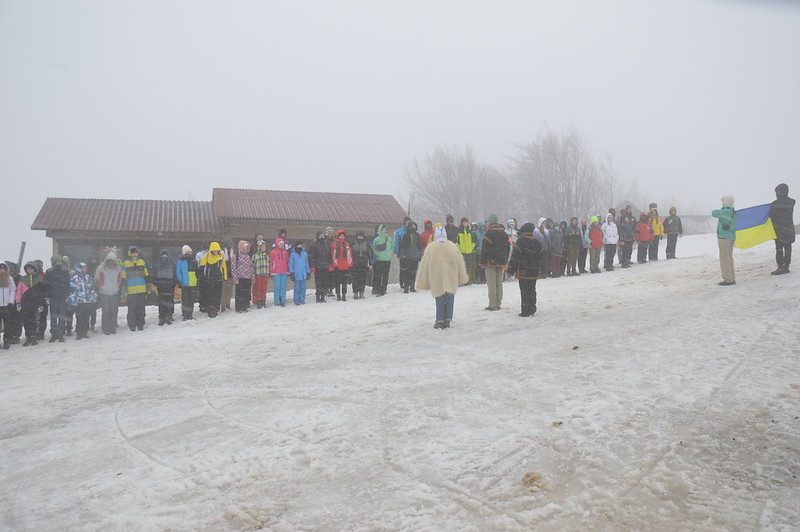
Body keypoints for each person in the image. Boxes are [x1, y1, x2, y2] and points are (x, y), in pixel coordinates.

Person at [416, 225, 469, 329]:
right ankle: (448, 319)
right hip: (451, 276)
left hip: (436, 276)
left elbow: (424, 264)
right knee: (450, 297)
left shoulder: (431, 247)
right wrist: (462, 276)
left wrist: (423, 280)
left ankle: (439, 320)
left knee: (439, 297)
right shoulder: (452, 246)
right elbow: (460, 263)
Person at [508, 222, 543, 317]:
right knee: (532, 289)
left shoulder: (521, 241)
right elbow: (541, 256)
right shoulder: (536, 241)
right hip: (534, 270)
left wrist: (511, 269)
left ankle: (525, 310)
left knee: (524, 290)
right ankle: (532, 307)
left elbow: (515, 257)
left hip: (523, 270)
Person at [479, 214, 510, 311]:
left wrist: (482, 262)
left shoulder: (489, 233)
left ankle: (492, 304)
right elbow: (508, 247)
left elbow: (485, 249)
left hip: (490, 262)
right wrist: (505, 259)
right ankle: (498, 303)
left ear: (490, 222)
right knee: (499, 283)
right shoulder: (503, 233)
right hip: (501, 261)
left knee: (491, 283)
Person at [16, 262, 46, 346]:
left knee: (34, 321)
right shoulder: (23, 279)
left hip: (35, 303)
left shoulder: (39, 279)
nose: (29, 271)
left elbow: (42, 293)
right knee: (26, 321)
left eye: (31, 269)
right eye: (28, 269)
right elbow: (19, 291)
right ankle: (28, 337)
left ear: (35, 269)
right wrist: (18, 302)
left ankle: (33, 336)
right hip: (25, 303)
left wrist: (41, 304)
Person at [121, 246, 149, 331]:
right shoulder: (126, 263)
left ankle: (141, 324)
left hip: (141, 289)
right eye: (133, 252)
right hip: (131, 290)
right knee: (131, 309)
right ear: (130, 253)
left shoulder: (142, 262)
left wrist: (148, 289)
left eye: (136, 252)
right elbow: (123, 279)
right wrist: (124, 292)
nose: (135, 254)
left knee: (141, 308)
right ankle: (132, 325)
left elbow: (147, 276)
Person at [769, 183, 795, 275]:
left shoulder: (774, 205)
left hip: (779, 230)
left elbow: (771, 216)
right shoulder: (791, 202)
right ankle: (786, 266)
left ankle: (780, 267)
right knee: (788, 249)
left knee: (779, 249)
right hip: (789, 230)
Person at [712, 196, 737, 286]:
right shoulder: (733, 212)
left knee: (724, 259)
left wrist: (721, 208)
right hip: (731, 237)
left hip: (724, 238)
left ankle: (728, 279)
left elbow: (713, 213)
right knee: (729, 258)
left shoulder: (724, 211)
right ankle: (732, 278)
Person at [68, 262, 98, 340]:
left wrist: (93, 296)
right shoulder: (74, 278)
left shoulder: (88, 277)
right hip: (79, 301)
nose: (85, 269)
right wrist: (73, 299)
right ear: (79, 268)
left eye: (85, 268)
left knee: (86, 317)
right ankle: (79, 333)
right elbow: (72, 290)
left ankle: (85, 331)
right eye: (83, 268)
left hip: (88, 301)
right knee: (79, 318)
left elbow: (92, 288)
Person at [94, 251, 121, 333]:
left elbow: (120, 279)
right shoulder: (101, 268)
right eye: (109, 260)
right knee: (106, 311)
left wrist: (118, 287)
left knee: (114, 311)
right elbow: (96, 278)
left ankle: (112, 328)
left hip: (114, 292)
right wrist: (101, 286)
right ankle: (105, 328)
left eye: (112, 260)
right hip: (104, 293)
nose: (110, 261)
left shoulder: (118, 268)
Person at [44, 255, 70, 342]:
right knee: (54, 317)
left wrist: (67, 295)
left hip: (62, 297)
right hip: (53, 297)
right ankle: (54, 334)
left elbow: (67, 284)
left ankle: (60, 334)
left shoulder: (65, 271)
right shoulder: (49, 272)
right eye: (57, 261)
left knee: (62, 316)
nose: (59, 263)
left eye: (60, 261)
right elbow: (46, 285)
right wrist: (47, 296)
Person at [199, 241, 228, 317]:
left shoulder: (221, 256)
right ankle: (211, 310)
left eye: (217, 249)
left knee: (218, 295)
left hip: (219, 279)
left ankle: (216, 308)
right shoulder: (206, 257)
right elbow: (202, 268)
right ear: (211, 249)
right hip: (210, 280)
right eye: (214, 249)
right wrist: (202, 278)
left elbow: (223, 267)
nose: (215, 251)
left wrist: (225, 276)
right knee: (210, 295)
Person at [152, 250, 177, 324]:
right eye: (163, 256)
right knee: (161, 303)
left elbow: (175, 275)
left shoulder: (172, 265)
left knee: (169, 302)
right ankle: (161, 317)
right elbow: (154, 277)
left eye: (165, 256)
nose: (164, 258)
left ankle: (167, 316)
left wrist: (173, 284)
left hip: (169, 287)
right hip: (161, 287)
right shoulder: (157, 265)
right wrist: (158, 284)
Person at [308, 232, 332, 303]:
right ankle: (318, 297)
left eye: (323, 236)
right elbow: (311, 256)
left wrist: (330, 265)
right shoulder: (314, 244)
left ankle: (323, 297)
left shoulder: (327, 245)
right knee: (318, 283)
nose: (322, 237)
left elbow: (329, 256)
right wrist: (312, 266)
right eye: (320, 236)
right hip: (317, 267)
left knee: (325, 283)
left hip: (325, 267)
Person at [370, 225, 394, 296]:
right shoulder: (377, 239)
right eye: (383, 230)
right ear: (380, 231)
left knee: (385, 275)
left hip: (387, 260)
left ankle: (384, 288)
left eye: (385, 230)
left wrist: (390, 254)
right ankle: (377, 288)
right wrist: (378, 254)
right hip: (379, 260)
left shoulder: (389, 239)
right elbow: (373, 248)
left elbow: (392, 247)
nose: (384, 231)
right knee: (378, 275)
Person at [399, 221, 422, 293]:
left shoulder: (417, 235)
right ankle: (406, 287)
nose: (413, 227)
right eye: (412, 226)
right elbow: (402, 245)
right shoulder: (406, 235)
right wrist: (404, 254)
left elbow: (419, 246)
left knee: (414, 272)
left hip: (415, 255)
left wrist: (419, 254)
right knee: (407, 272)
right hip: (408, 256)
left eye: (414, 226)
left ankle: (412, 286)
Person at [175, 245, 198, 320]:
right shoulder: (180, 261)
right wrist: (181, 280)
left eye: (190, 252)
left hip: (193, 283)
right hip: (185, 283)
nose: (190, 253)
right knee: (185, 300)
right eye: (188, 252)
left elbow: (197, 272)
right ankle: (185, 315)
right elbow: (178, 272)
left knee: (191, 300)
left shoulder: (194, 261)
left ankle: (190, 314)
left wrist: (196, 280)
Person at [231, 240, 254, 313]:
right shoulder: (236, 256)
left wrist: (252, 277)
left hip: (248, 278)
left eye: (247, 247)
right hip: (240, 278)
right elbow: (233, 268)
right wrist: (235, 278)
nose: (246, 248)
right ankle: (239, 308)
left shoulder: (248, 256)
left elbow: (251, 267)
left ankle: (245, 306)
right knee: (239, 294)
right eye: (245, 247)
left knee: (246, 293)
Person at [331, 230, 353, 301]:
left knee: (344, 282)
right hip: (338, 266)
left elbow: (349, 254)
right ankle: (338, 295)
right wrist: (335, 264)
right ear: (338, 236)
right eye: (341, 235)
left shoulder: (347, 244)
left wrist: (350, 263)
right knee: (337, 282)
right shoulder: (334, 244)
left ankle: (344, 295)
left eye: (343, 235)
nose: (342, 237)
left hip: (345, 266)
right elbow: (333, 255)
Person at [350, 231, 371, 299]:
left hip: (364, 264)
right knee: (355, 279)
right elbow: (349, 254)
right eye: (359, 235)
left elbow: (370, 254)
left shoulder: (366, 244)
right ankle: (355, 293)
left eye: (361, 236)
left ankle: (361, 292)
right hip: (355, 264)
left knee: (362, 279)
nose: (360, 237)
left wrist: (371, 263)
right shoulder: (353, 243)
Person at [270, 237, 290, 307]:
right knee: (277, 287)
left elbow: (287, 262)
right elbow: (271, 263)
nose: (281, 245)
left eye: (282, 244)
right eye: (280, 244)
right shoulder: (273, 252)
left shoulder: (285, 252)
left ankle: (283, 300)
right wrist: (271, 272)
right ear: (277, 244)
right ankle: (277, 301)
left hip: (284, 272)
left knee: (283, 287)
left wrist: (288, 270)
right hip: (276, 272)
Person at [0, 261, 16, 349]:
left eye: (3, 269)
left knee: (8, 324)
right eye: (0, 269)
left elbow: (13, 290)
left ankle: (6, 340)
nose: (2, 271)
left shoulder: (10, 279)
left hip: (7, 305)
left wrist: (11, 302)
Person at [456, 217, 476, 284]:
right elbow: (456, 241)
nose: (465, 223)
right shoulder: (458, 231)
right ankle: (461, 281)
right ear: (461, 223)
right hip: (461, 252)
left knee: (468, 266)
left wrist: (471, 247)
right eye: (464, 222)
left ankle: (467, 280)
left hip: (469, 252)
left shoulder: (469, 231)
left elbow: (473, 241)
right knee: (461, 267)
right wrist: (459, 248)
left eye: (466, 222)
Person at [251, 240, 270, 308]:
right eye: (262, 246)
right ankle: (258, 301)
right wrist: (253, 274)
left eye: (265, 246)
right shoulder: (255, 256)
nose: (264, 248)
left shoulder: (266, 256)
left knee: (264, 288)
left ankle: (263, 301)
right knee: (258, 288)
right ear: (259, 247)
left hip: (265, 274)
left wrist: (268, 272)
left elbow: (268, 264)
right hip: (258, 275)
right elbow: (252, 266)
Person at [220, 240, 235, 312]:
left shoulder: (233, 252)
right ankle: (223, 304)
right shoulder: (222, 253)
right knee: (223, 290)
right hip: (224, 273)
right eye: (228, 244)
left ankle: (228, 303)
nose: (230, 245)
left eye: (231, 244)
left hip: (231, 274)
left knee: (229, 290)